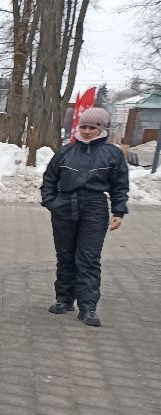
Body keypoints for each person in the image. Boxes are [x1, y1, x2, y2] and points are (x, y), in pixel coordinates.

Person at [41, 107, 129, 327]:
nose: (87, 131)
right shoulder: (65, 152)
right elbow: (49, 178)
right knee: (65, 256)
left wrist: (118, 211)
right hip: (64, 207)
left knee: (88, 258)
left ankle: (88, 306)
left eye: (92, 127)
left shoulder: (112, 154)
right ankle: (64, 299)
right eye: (84, 127)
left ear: (101, 129)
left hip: (95, 208)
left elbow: (120, 185)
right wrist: (51, 202)